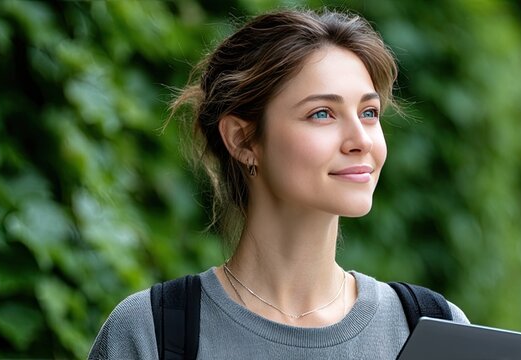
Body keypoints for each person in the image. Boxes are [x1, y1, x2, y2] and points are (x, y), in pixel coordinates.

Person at [88, 8, 468, 359]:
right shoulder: (149, 332)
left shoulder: (435, 328)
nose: (362, 139)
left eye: (369, 113)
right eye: (322, 113)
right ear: (243, 140)